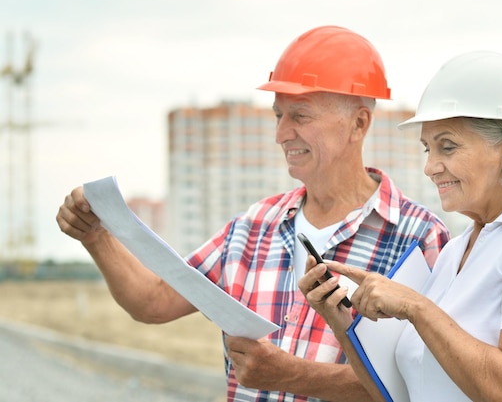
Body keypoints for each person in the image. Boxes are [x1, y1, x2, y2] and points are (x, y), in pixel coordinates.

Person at [56, 25, 450, 402]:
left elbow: (427, 382)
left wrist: (292, 375)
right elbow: (152, 303)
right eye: (279, 116)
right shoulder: (253, 226)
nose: (280, 134)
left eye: (300, 115)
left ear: (358, 124)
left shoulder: (419, 239)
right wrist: (96, 236)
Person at [300, 50, 502, 402]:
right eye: (428, 149)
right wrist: (341, 322)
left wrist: (416, 306)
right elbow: (400, 393)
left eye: (447, 147)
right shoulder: (456, 250)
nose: (430, 167)